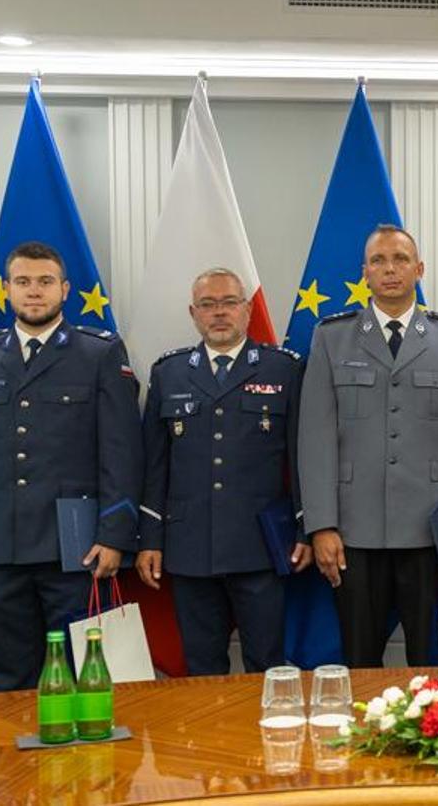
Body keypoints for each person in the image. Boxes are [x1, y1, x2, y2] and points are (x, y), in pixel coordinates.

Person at [0, 241, 143, 691]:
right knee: (9, 677)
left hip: (77, 549)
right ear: (7, 289)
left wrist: (114, 535)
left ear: (65, 290)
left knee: (86, 676)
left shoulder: (99, 354)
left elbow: (121, 453)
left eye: (45, 282)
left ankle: (91, 762)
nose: (34, 291)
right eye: (24, 282)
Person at [298, 224, 438, 668]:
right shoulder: (331, 337)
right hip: (354, 530)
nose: (390, 269)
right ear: (364, 273)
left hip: (429, 528)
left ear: (418, 269)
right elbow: (315, 439)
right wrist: (321, 525)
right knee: (359, 656)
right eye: (378, 261)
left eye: (400, 260)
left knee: (430, 660)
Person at [138, 268, 302, 675]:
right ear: (194, 313)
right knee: (201, 667)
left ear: (247, 310)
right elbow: (154, 466)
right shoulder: (169, 373)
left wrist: (305, 530)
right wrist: (150, 539)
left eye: (229, 302)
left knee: (267, 665)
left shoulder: (282, 370)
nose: (219, 313)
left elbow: (301, 460)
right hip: (190, 547)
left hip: (261, 546)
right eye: (208, 305)